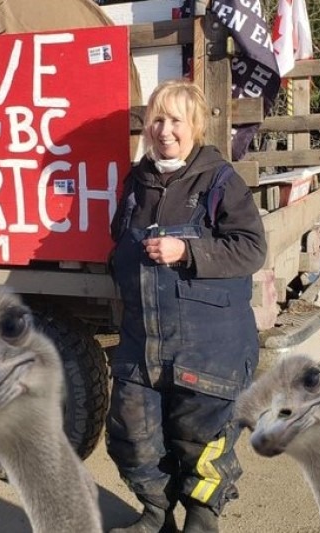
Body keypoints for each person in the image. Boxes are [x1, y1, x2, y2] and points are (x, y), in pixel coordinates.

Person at [106, 79, 267, 533]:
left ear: (194, 125)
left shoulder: (219, 180)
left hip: (209, 346)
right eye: (157, 118)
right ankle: (157, 514)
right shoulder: (136, 182)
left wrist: (187, 251)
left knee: (202, 441)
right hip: (144, 342)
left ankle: (202, 517)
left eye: (176, 120)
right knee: (133, 436)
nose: (165, 129)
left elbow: (252, 248)